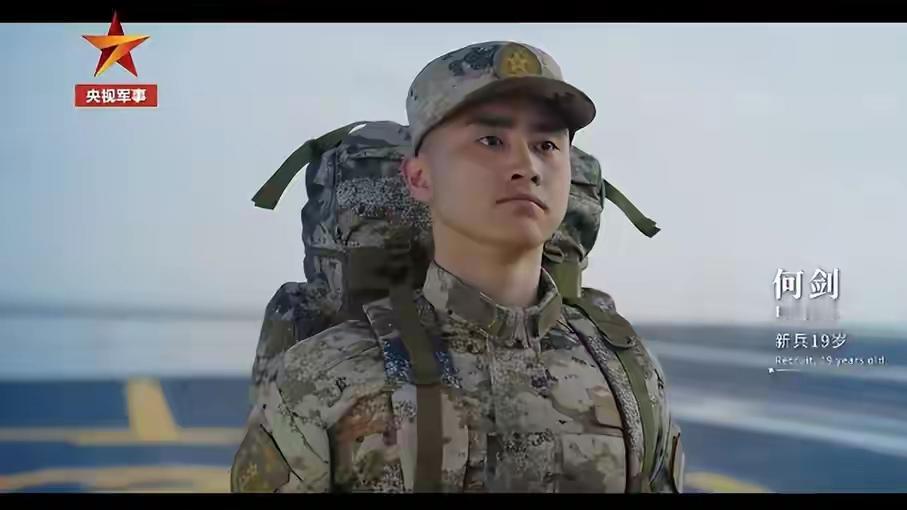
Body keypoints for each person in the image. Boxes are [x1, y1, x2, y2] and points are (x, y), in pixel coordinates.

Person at [230, 41, 684, 493]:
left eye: (547, 144)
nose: (527, 166)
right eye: (491, 141)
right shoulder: (325, 375)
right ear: (419, 177)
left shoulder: (629, 372)